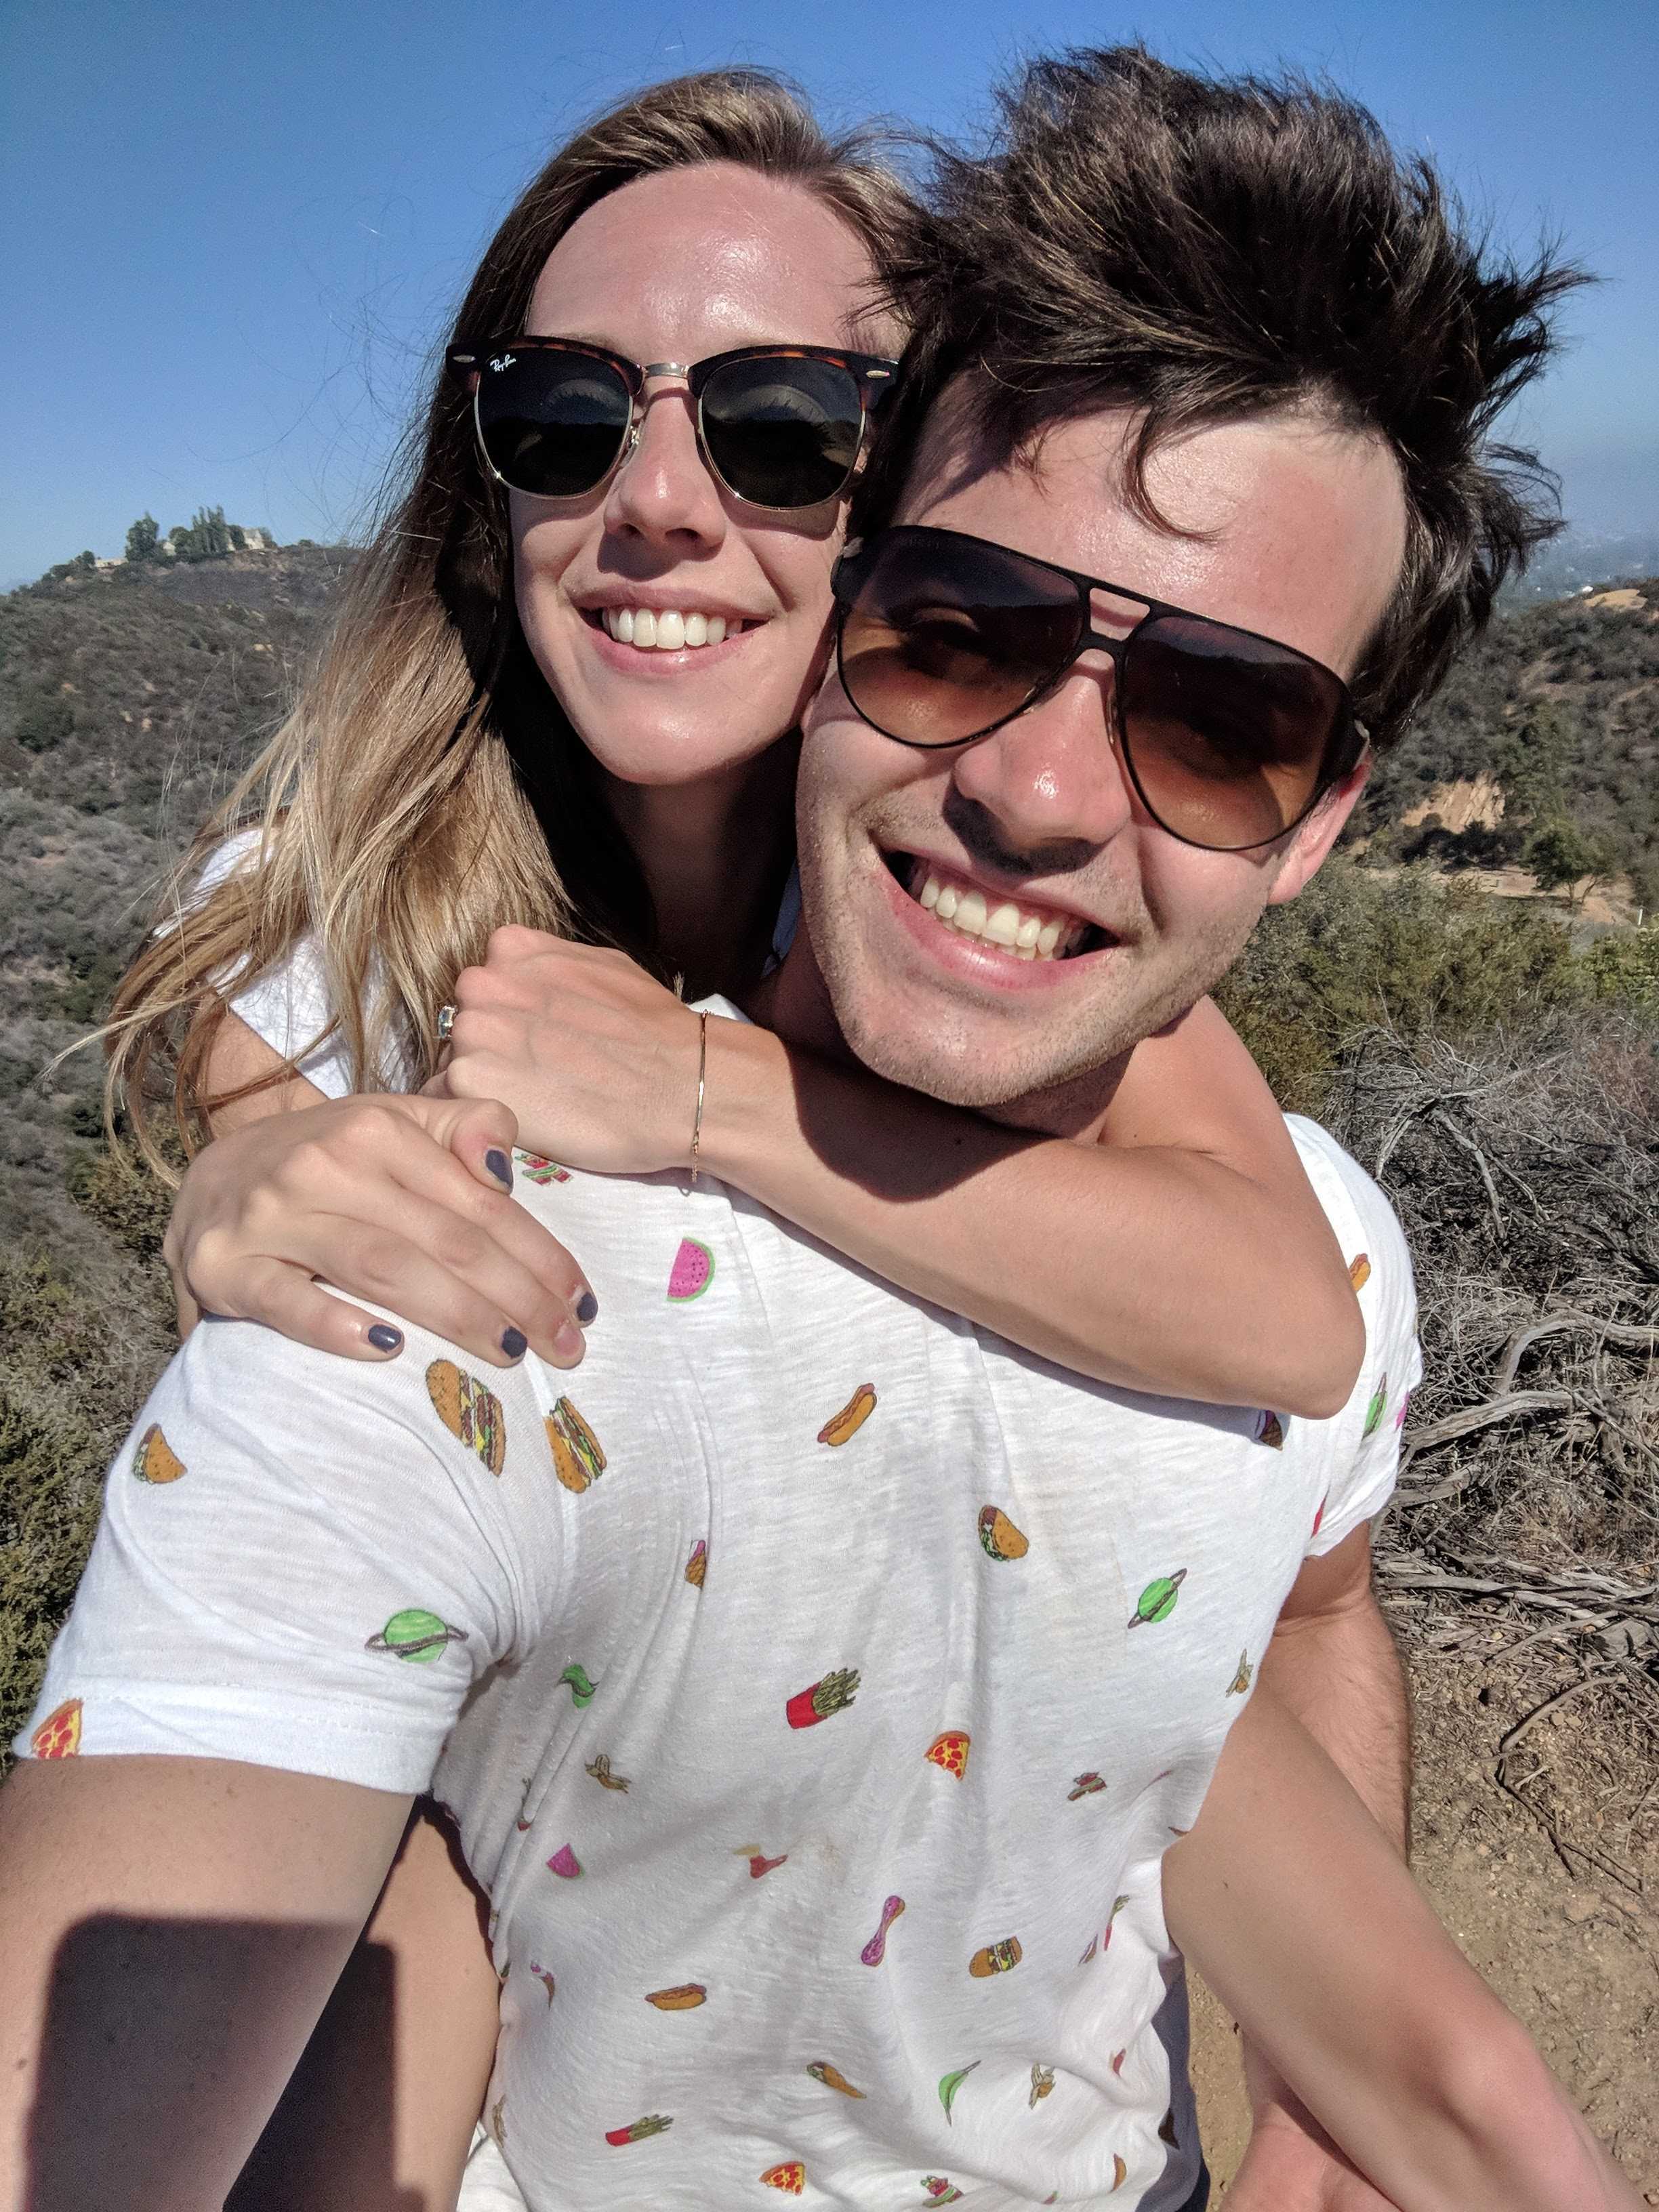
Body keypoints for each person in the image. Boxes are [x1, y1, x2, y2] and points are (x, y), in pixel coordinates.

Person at [4, 48, 1632, 2212]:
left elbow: (1287, 1327)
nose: (657, 503)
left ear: (907, 509)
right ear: (486, 503)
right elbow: (309, 1425)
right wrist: (245, 1188)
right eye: (562, 419)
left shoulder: (996, 915)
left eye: (781, 427)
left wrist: (708, 1095)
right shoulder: (337, 927)